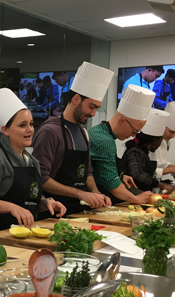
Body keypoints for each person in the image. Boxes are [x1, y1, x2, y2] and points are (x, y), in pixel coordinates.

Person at [0, 89, 66, 240]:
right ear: (5, 130)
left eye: (31, 124)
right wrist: (12, 208)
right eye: (22, 125)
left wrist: (46, 203)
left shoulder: (32, 161)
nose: (30, 130)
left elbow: (29, 202)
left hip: (22, 238)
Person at [33, 61, 114, 214]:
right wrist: (80, 193)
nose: (93, 114)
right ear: (76, 99)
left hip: (80, 211)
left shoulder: (83, 132)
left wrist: (96, 193)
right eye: (92, 106)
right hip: (55, 213)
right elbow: (41, 178)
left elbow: (87, 173)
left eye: (97, 108)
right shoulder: (50, 131)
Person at [89, 84, 156, 205]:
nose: (133, 135)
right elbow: (111, 183)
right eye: (134, 130)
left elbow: (100, 168)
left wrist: (120, 176)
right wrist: (136, 199)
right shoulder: (105, 141)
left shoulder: (99, 130)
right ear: (122, 121)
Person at [121, 109, 175, 193]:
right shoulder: (135, 151)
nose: (160, 144)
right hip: (132, 194)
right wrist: (160, 185)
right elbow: (137, 174)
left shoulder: (144, 152)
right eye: (160, 141)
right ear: (154, 141)